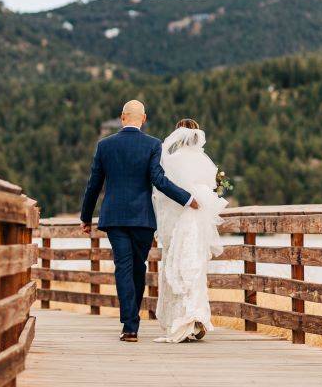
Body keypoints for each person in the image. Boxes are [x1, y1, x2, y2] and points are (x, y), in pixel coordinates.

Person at [80, 100, 198, 342]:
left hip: (114, 217)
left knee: (123, 268)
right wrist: (187, 199)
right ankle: (132, 320)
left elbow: (94, 184)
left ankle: (130, 326)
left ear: (123, 117)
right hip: (143, 218)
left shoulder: (105, 145)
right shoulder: (153, 144)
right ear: (143, 119)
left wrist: (86, 217)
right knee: (138, 267)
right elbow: (159, 180)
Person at [152, 118, 226, 342]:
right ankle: (197, 317)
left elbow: (164, 193)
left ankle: (182, 317)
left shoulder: (172, 161)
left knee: (178, 265)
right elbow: (209, 192)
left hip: (180, 223)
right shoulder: (205, 162)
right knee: (195, 268)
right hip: (198, 223)